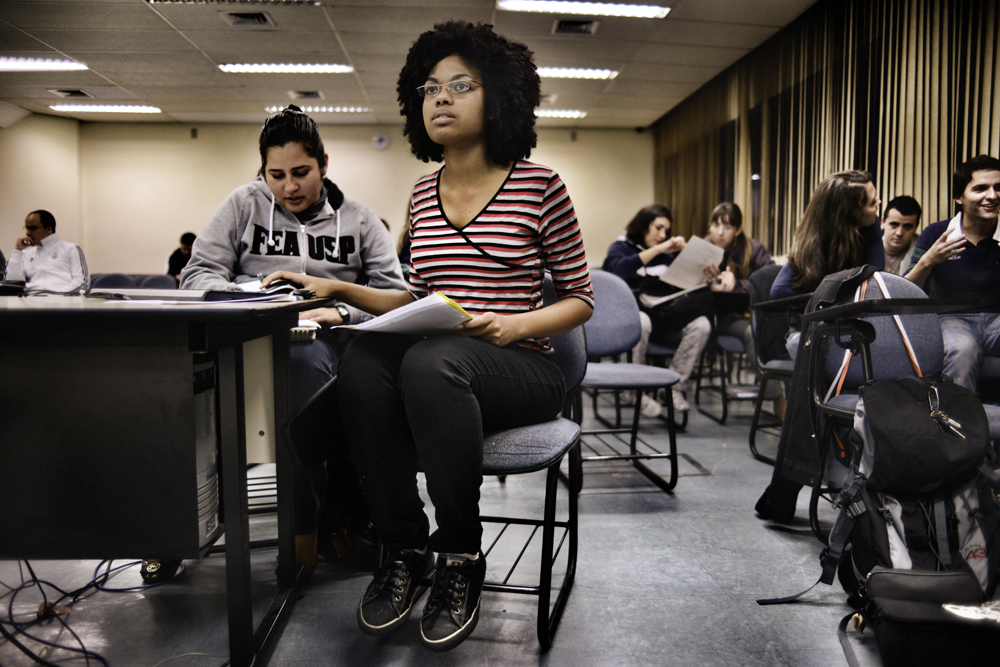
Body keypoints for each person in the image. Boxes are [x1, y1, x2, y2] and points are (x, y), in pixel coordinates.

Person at [264, 20, 593, 651]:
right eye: (430, 88)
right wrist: (340, 290)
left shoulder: (540, 185)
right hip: (445, 366)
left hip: (521, 366)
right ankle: (403, 546)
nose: (441, 97)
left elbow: (580, 299)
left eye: (461, 85)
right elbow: (417, 300)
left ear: (499, 95)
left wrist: (517, 323)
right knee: (365, 358)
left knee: (429, 363)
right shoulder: (421, 191)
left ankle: (461, 556)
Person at [175, 105, 406, 578]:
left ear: (324, 162)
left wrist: (342, 309)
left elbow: (395, 296)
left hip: (326, 344)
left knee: (302, 378)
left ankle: (302, 536)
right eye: (275, 175)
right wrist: (250, 296)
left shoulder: (361, 221)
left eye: (301, 172)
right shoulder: (242, 204)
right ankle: (174, 527)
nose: (289, 187)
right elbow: (197, 274)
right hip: (249, 339)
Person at [756, 169, 884, 525]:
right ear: (847, 211)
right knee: (826, 380)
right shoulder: (812, 243)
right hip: (809, 335)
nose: (878, 206)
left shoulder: (868, 233)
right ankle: (842, 478)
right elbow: (780, 294)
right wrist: (838, 297)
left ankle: (794, 486)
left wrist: (872, 231)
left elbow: (875, 279)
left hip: (851, 337)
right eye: (871, 202)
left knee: (824, 399)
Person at [603, 204, 712, 413]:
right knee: (641, 321)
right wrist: (659, 249)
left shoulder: (669, 258)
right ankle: (633, 391)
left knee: (702, 324)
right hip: (635, 322)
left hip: (665, 319)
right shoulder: (620, 247)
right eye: (658, 228)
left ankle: (673, 389)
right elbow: (615, 271)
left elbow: (682, 290)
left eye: (666, 231)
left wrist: (698, 270)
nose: (663, 235)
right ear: (644, 226)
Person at [905, 155, 1000, 391]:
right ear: (959, 197)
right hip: (952, 318)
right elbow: (906, 290)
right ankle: (959, 423)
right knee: (962, 349)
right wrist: (928, 261)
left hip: (997, 318)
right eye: (980, 188)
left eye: (998, 187)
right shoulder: (938, 233)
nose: (993, 195)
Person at [701, 202, 782, 419]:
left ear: (737, 230)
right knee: (753, 332)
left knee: (776, 330)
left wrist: (737, 285)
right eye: (716, 225)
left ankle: (791, 395)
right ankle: (778, 397)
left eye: (727, 227)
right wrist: (705, 284)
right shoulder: (702, 249)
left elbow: (770, 283)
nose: (719, 232)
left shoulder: (753, 249)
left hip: (749, 313)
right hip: (717, 317)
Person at [5, 210, 89, 294]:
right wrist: (17, 251)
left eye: (33, 228)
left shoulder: (70, 248)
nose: (27, 233)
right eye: (27, 228)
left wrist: (59, 297)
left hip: (63, 300)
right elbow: (12, 284)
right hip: (32, 300)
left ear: (49, 229)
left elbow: (82, 283)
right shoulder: (27, 253)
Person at [881, 195, 921, 275]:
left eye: (907, 227)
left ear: (916, 227)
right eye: (894, 225)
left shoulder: (922, 252)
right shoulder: (864, 245)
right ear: (882, 222)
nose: (899, 233)